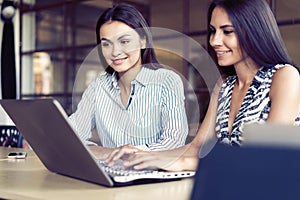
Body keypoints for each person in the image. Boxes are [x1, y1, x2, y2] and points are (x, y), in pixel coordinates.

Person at [106, 0, 300, 171]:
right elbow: (198, 147)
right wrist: (143, 155)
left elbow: (266, 158)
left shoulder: (284, 77)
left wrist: (182, 164)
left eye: (227, 32)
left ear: (254, 31)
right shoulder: (224, 85)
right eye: (213, 31)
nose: (214, 41)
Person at [68, 3, 189, 159]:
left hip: (153, 176)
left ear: (143, 41)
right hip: (112, 174)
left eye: (124, 41)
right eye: (106, 44)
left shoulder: (167, 81)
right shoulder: (98, 86)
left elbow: (174, 141)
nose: (115, 52)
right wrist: (112, 153)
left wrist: (126, 153)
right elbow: (73, 137)